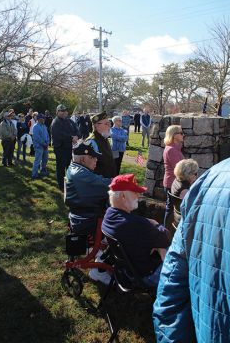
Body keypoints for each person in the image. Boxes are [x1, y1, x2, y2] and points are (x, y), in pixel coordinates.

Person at [153, 134, 230, 343]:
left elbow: (172, 285)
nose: (183, 136)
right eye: (179, 134)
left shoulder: (210, 178)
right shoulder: (201, 182)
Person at [102, 174, 171, 287]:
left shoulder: (109, 214)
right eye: (135, 192)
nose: (139, 196)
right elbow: (166, 237)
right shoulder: (136, 224)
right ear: (123, 196)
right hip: (146, 276)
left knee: (161, 245)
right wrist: (155, 223)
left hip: (126, 270)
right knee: (176, 253)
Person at [65, 140, 111, 284]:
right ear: (84, 158)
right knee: (121, 232)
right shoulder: (80, 174)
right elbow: (105, 184)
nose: (96, 160)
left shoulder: (77, 169)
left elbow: (98, 181)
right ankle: (98, 270)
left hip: (82, 216)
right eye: (93, 157)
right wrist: (123, 181)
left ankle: (100, 256)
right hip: (89, 220)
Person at [51, 104, 79, 191]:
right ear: (57, 112)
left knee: (69, 167)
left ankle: (68, 183)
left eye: (65, 111)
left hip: (69, 148)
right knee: (61, 168)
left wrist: (76, 136)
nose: (64, 112)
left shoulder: (69, 121)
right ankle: (61, 186)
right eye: (62, 111)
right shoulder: (56, 122)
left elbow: (76, 129)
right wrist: (72, 137)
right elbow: (60, 135)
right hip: (60, 149)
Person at [87, 111, 117, 178]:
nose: (110, 125)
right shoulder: (92, 142)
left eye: (109, 123)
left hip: (107, 180)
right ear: (97, 125)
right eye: (106, 123)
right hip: (99, 183)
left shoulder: (104, 137)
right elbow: (89, 168)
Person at [163, 125, 184, 191]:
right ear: (174, 135)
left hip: (174, 184)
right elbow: (179, 169)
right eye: (181, 133)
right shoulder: (171, 150)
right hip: (172, 184)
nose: (183, 135)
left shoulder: (174, 148)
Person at [31, 113, 50, 179]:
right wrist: (44, 144)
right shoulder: (35, 126)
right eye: (42, 118)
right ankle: (34, 174)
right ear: (39, 119)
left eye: (44, 118)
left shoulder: (44, 126)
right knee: (37, 160)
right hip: (39, 147)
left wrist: (48, 142)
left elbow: (47, 135)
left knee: (45, 159)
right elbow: (37, 137)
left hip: (45, 146)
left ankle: (43, 171)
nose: (44, 119)